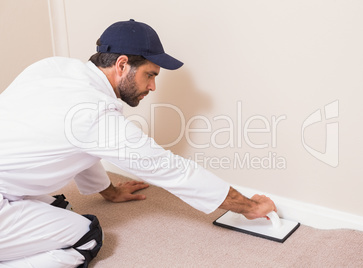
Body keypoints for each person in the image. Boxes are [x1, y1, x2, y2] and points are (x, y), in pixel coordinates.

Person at [0, 19, 276, 267]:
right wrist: (250, 207)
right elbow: (173, 170)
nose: (153, 86)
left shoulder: (53, 68)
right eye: (151, 74)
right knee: (86, 236)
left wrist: (109, 191)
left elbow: (80, 143)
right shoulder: (94, 114)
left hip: (7, 186)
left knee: (62, 209)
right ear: (122, 65)